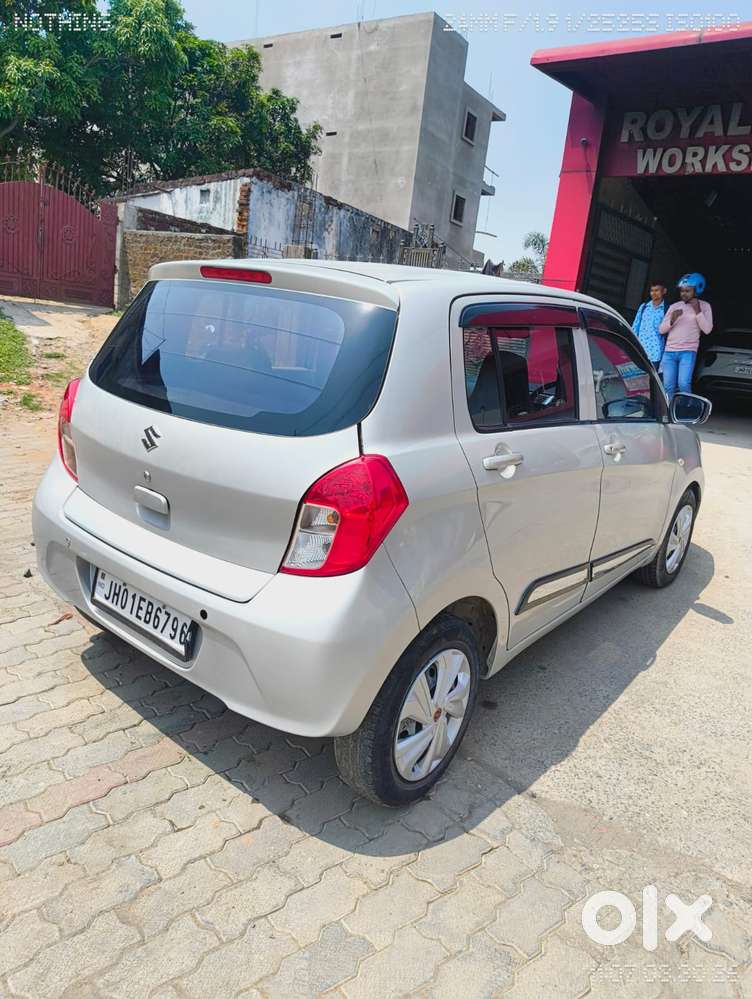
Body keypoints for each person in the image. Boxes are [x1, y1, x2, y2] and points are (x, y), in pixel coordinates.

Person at [659, 273, 713, 398]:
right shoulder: (674, 306)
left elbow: (707, 330)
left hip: (688, 351)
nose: (683, 294)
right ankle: (670, 412)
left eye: (687, 291)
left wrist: (698, 311)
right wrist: (672, 320)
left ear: (697, 290)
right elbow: (661, 330)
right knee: (668, 386)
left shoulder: (705, 306)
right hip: (669, 352)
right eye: (682, 291)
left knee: (683, 383)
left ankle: (686, 410)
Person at [632, 281, 667, 367]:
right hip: (640, 350)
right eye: (652, 290)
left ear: (664, 291)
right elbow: (635, 327)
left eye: (657, 290)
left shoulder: (666, 309)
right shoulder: (644, 307)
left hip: (656, 354)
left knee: (650, 379)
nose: (654, 293)